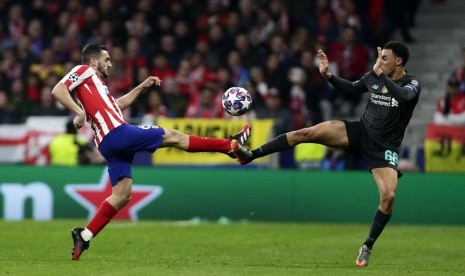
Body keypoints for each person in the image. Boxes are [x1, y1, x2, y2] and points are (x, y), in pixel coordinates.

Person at [51, 43, 251, 261]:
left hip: (108, 143)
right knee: (174, 136)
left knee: (122, 195)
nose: (110, 63)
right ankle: (230, 146)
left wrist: (141, 87)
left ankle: (85, 235)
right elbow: (58, 89)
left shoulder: (98, 88)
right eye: (106, 59)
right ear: (93, 61)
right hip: (117, 133)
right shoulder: (84, 71)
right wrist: (79, 112)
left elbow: (117, 106)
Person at [231, 40, 421, 267]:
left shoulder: (412, 84)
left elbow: (405, 98)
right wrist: (328, 75)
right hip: (359, 132)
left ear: (399, 62)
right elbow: (351, 88)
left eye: (385, 59)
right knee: (306, 133)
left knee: (388, 197)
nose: (379, 62)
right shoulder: (375, 76)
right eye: (380, 58)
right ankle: (250, 155)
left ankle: (367, 246)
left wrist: (380, 75)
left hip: (384, 147)